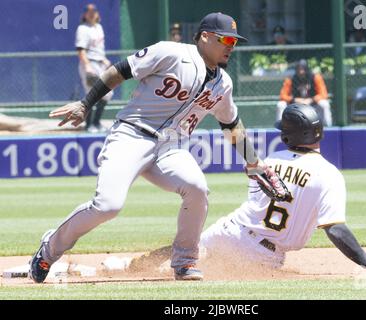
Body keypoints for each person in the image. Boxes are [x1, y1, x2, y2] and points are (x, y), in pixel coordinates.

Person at [29, 12, 283, 283]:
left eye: (235, 40)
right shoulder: (171, 53)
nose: (232, 45)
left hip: (171, 147)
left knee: (197, 189)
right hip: (131, 136)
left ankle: (185, 261)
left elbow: (231, 123)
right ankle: (49, 248)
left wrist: (254, 161)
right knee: (108, 206)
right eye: (227, 39)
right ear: (206, 37)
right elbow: (120, 71)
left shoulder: (224, 83)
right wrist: (85, 104)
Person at [200, 103, 366, 275]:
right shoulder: (329, 174)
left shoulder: (270, 161)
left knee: (184, 257)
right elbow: (334, 228)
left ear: (286, 136)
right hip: (261, 255)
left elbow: (255, 201)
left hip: (225, 231)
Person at [76, 3, 112, 133]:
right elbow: (81, 50)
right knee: (92, 95)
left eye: (93, 11)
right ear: (84, 14)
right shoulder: (83, 28)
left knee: (107, 94)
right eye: (88, 11)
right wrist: (87, 67)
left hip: (100, 63)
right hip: (90, 63)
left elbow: (98, 49)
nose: (91, 13)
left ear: (97, 13)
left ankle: (96, 123)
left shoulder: (99, 27)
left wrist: (104, 59)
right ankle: (88, 124)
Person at [276, 60, 332, 126]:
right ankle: (280, 129)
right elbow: (282, 96)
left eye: (303, 69)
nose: (301, 72)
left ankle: (328, 128)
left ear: (307, 69)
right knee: (280, 104)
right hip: (295, 106)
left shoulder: (315, 77)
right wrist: (294, 99)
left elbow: (323, 94)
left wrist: (311, 99)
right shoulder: (291, 79)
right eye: (298, 69)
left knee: (324, 104)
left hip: (312, 105)